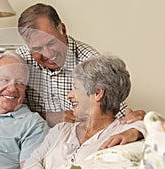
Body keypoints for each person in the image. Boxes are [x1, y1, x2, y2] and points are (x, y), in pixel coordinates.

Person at [0, 54, 147, 169]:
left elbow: (158, 140)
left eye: (75, 88)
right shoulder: (62, 130)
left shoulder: (123, 134)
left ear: (98, 93)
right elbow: (31, 163)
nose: (70, 95)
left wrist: (141, 127)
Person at [16, 3, 145, 131]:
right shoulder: (18, 61)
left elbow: (116, 114)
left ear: (63, 30)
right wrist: (48, 117)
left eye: (51, 43)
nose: (48, 54)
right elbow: (4, 112)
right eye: (37, 48)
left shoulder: (89, 62)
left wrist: (137, 126)